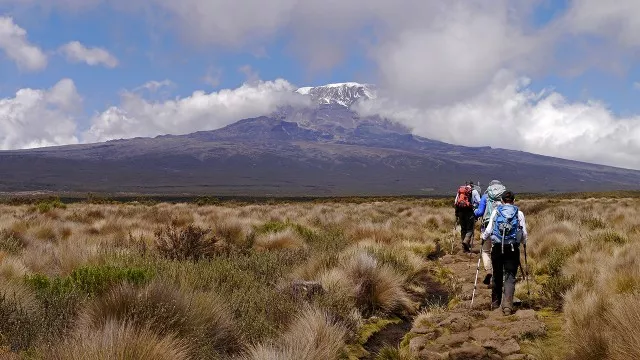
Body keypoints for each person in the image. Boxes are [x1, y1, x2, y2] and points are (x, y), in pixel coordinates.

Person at [480, 190, 527, 315]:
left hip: (497, 248)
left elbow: (489, 230)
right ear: (514, 201)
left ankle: (495, 304)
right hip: (512, 249)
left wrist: (483, 238)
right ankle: (507, 306)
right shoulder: (519, 214)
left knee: (497, 274)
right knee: (510, 276)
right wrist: (523, 242)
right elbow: (524, 234)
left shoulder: (496, 212)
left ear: (502, 201)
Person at [474, 180, 506, 287]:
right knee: (499, 251)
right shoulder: (504, 196)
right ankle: (501, 277)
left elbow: (480, 212)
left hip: (487, 226)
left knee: (486, 251)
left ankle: (489, 271)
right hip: (503, 228)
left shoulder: (486, 196)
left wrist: (474, 212)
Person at [454, 182, 476, 253]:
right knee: (470, 229)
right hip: (469, 212)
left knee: (463, 229)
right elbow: (475, 202)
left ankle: (464, 247)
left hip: (460, 212)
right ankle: (466, 241)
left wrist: (456, 213)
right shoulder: (472, 192)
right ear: (472, 186)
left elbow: (456, 202)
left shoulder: (460, 191)